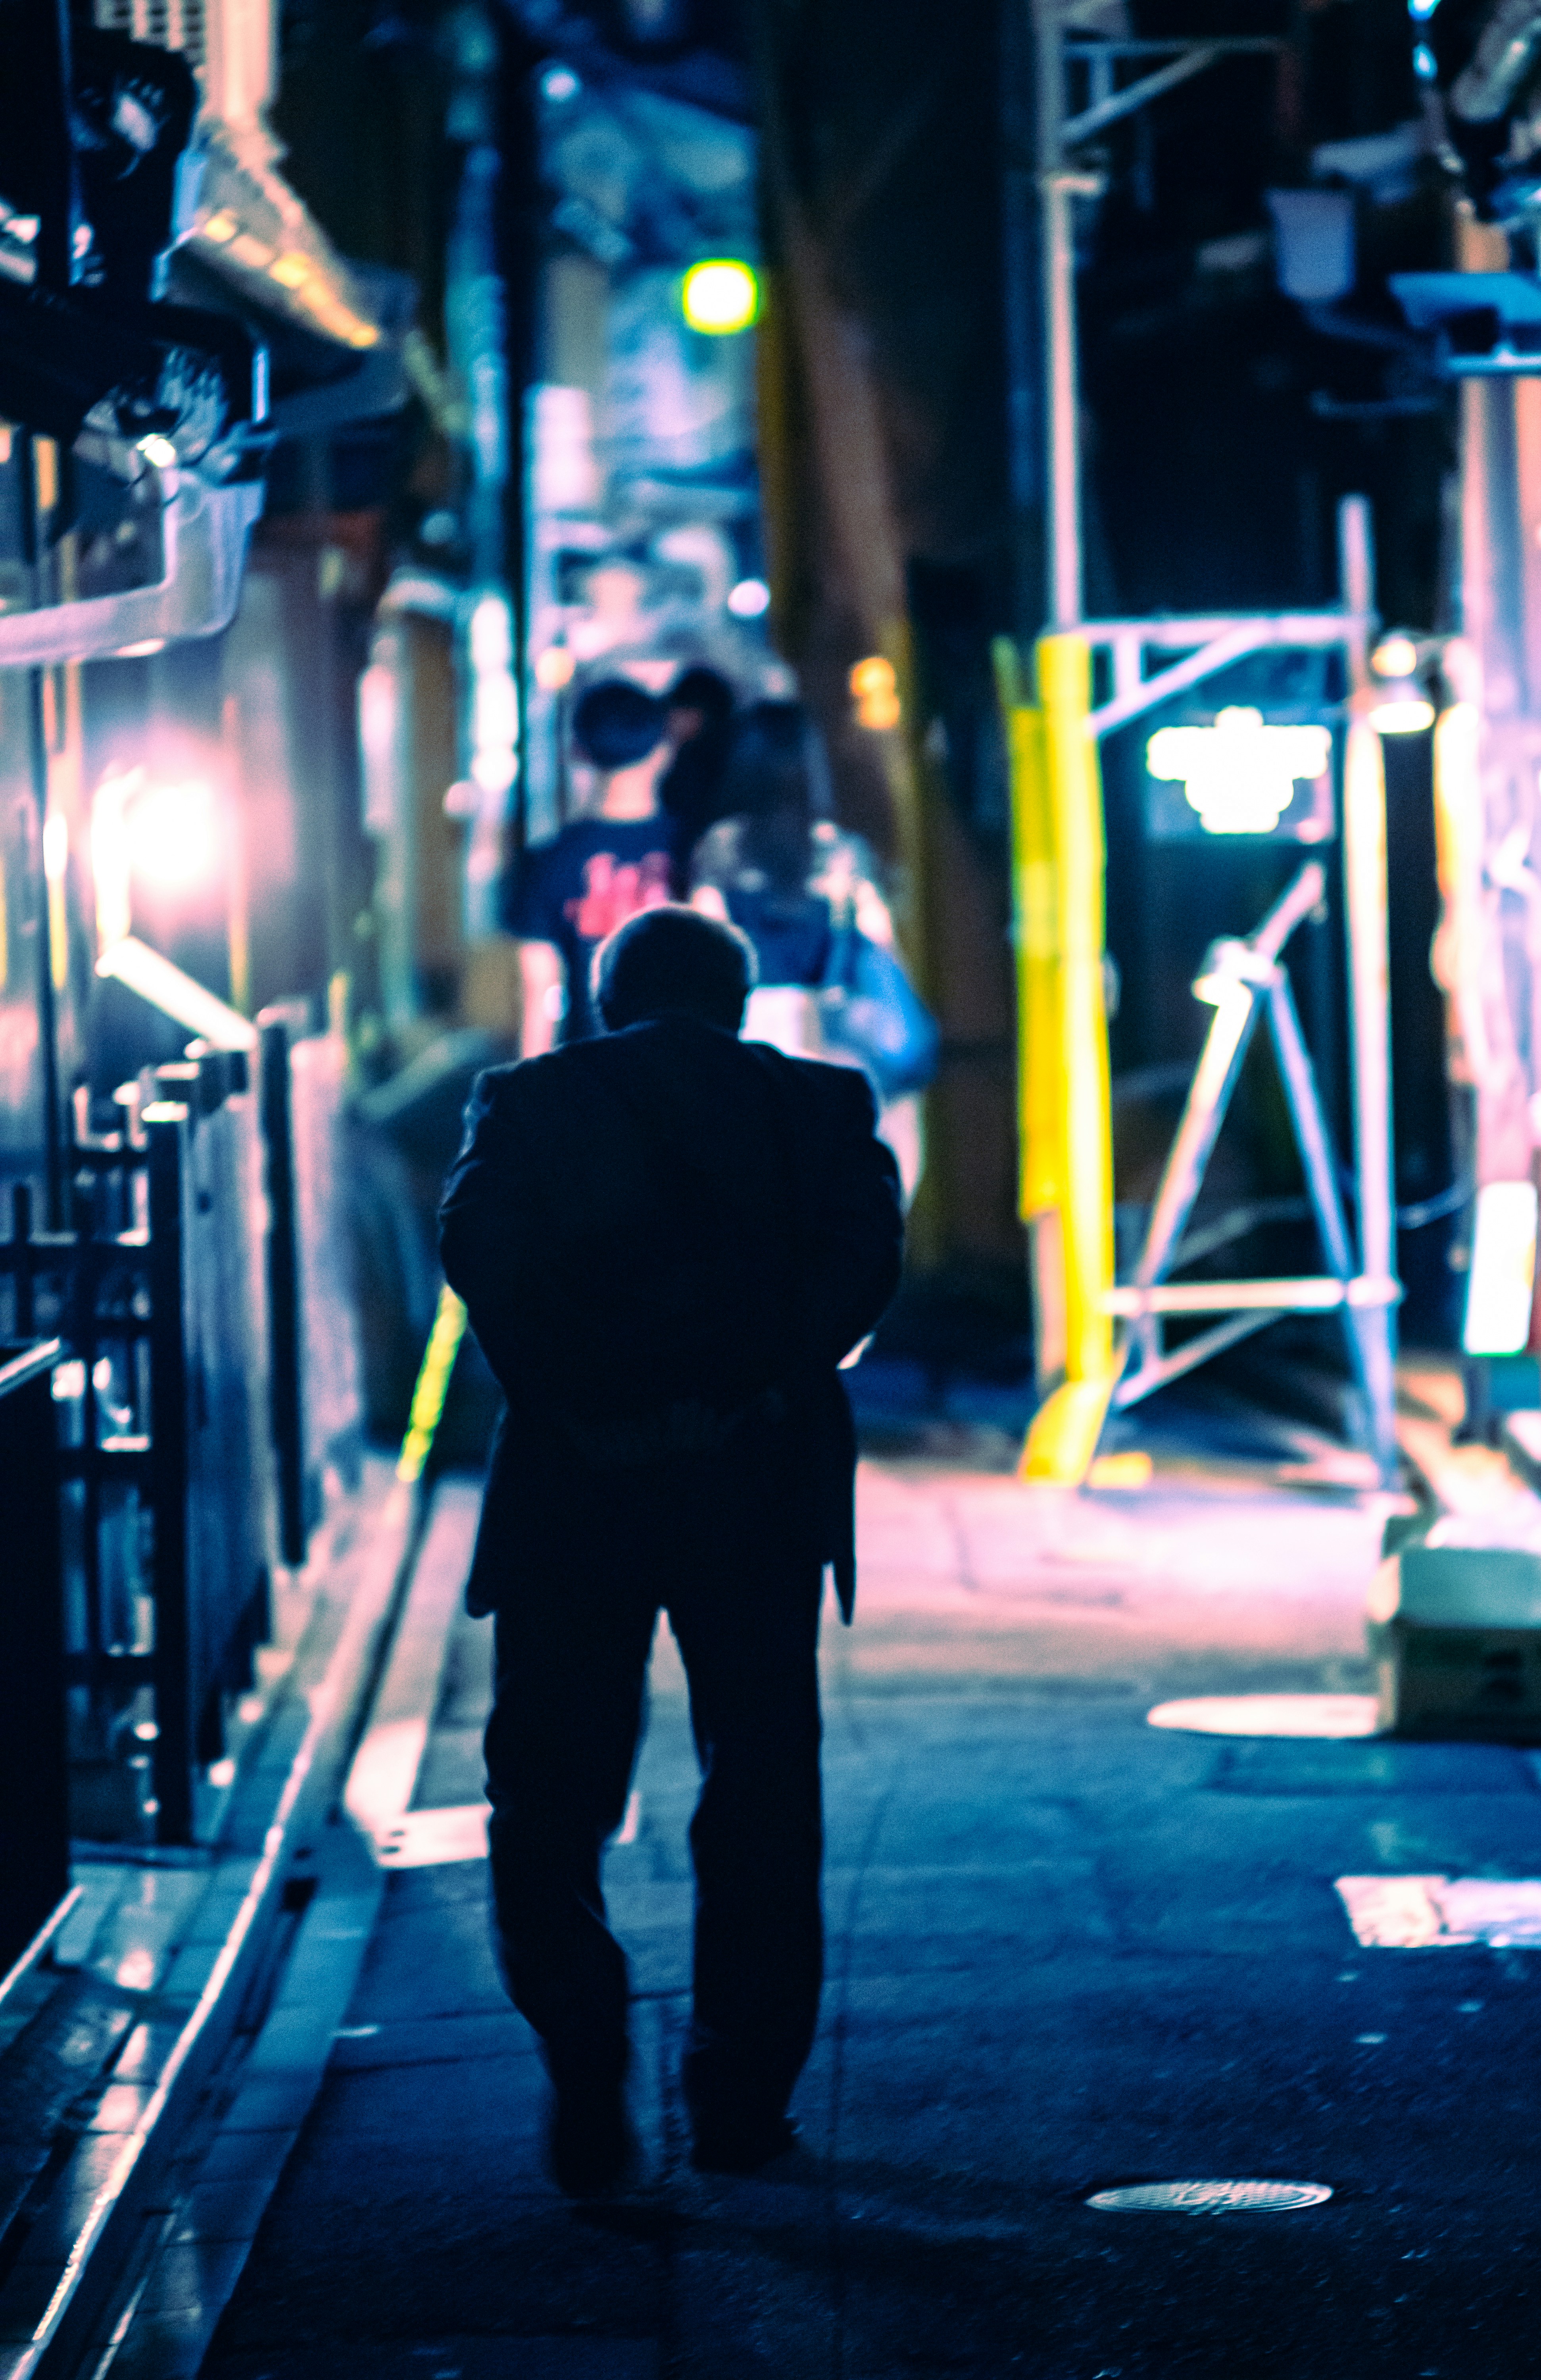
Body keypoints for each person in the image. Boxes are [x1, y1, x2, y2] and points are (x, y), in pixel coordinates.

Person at [437, 906, 904, 2195]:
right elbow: (865, 1261)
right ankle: (739, 2097)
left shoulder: (527, 1100)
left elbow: (478, 1249)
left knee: (551, 1794)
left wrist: (595, 1400)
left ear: (605, 1001)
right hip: (753, 1485)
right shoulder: (819, 1103)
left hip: (575, 1493)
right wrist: (745, 1382)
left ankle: (588, 2063)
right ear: (742, 1004)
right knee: (759, 1788)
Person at [691, 699, 930, 1199]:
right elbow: (879, 949)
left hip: (751, 1037)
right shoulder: (839, 853)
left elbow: (705, 950)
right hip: (834, 1035)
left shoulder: (720, 853)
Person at [501, 677, 674, 1055]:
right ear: (664, 750)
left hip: (591, 1070)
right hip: (685, 1073)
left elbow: (539, 992)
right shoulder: (692, 850)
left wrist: (530, 1090)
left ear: (578, 751)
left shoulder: (546, 861)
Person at [657, 662, 737, 892]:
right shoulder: (734, 764)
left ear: (696, 715)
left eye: (674, 710)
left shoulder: (688, 770)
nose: (668, 720)